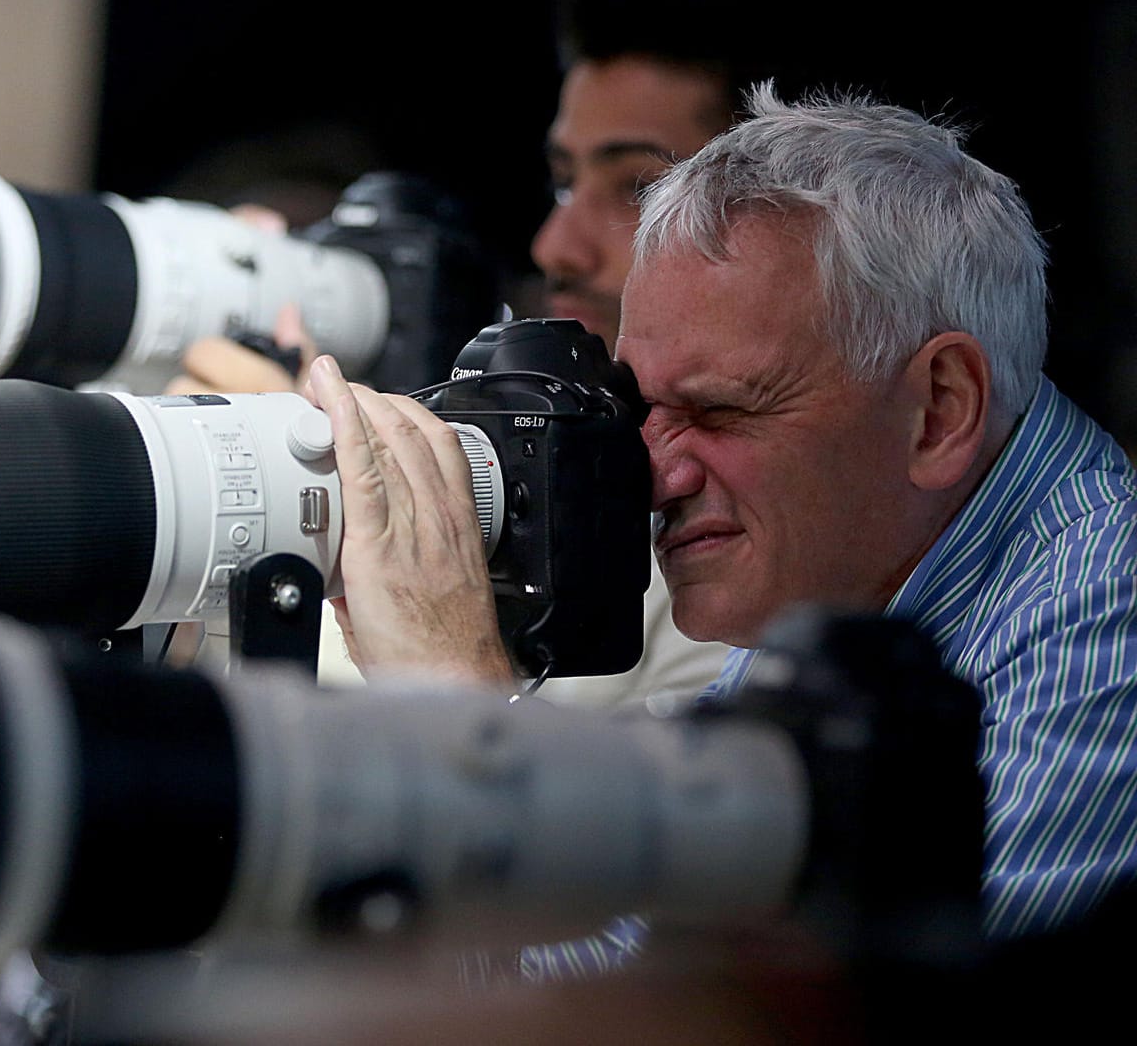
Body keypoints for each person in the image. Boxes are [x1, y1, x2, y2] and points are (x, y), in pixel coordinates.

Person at [314, 84, 1137, 942]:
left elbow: (818, 1018)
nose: (655, 475)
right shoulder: (843, 584)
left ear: (938, 407)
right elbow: (626, 959)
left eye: (720, 414)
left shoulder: (1108, 618)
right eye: (640, 412)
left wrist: (462, 707)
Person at [168, 0, 796, 708]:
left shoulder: (753, 532)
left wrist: (337, 514)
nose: (555, 245)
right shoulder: (506, 418)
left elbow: (636, 820)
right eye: (564, 183)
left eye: (638, 189)